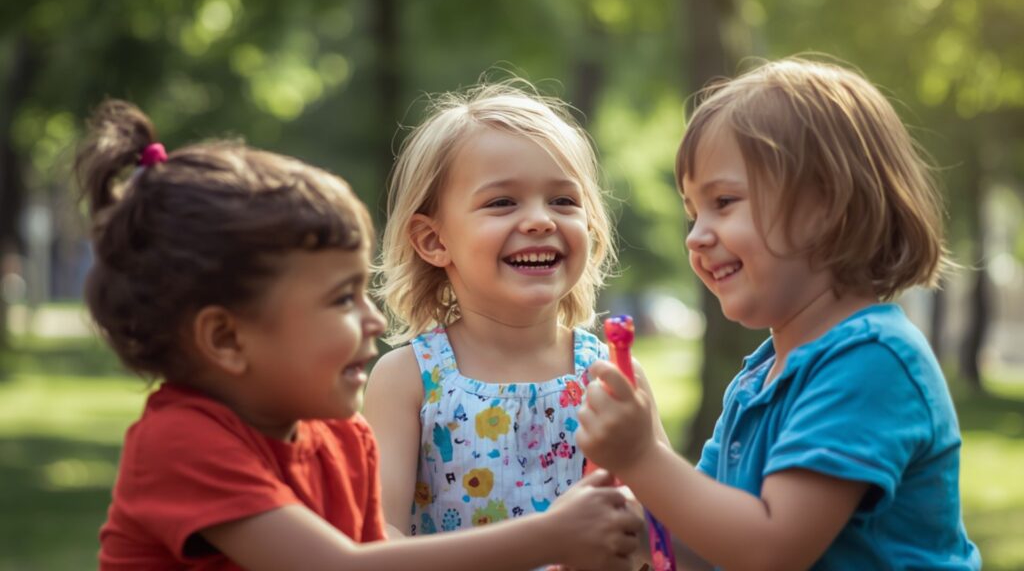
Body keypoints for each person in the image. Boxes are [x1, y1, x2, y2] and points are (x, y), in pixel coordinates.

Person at [81, 99, 643, 571]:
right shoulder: (181, 444)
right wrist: (553, 537)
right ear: (226, 339)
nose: (373, 321)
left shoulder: (341, 439)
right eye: (340, 300)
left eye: (565, 199)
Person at [576, 58, 982, 570]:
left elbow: (772, 550)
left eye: (724, 201)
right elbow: (712, 542)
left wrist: (642, 458)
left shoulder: (870, 360)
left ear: (827, 205)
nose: (697, 235)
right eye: (692, 212)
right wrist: (627, 533)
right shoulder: (759, 379)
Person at [364, 80, 670, 550]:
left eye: (563, 201)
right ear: (433, 240)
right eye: (502, 202)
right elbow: (378, 537)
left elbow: (669, 519)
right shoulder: (407, 379)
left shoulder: (610, 376)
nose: (541, 220)